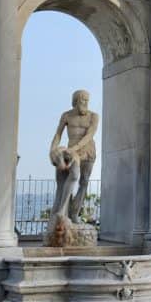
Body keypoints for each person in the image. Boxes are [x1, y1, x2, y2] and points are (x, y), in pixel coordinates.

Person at [49, 90, 99, 223]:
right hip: (72, 152)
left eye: (87, 101)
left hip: (87, 150)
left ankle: (74, 213)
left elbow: (89, 135)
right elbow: (58, 134)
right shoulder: (66, 116)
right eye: (83, 100)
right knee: (70, 178)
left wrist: (74, 149)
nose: (86, 103)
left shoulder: (93, 116)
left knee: (84, 182)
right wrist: (53, 149)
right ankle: (63, 210)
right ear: (76, 101)